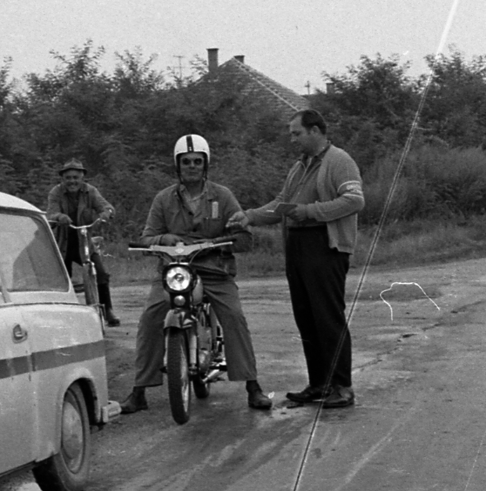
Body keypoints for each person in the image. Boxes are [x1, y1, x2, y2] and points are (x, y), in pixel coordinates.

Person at [119, 134, 272, 415]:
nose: (192, 166)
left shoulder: (223, 196)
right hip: (175, 270)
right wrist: (165, 239)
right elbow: (147, 236)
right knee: (151, 316)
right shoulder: (163, 199)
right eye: (186, 162)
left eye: (197, 161)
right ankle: (139, 390)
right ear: (177, 166)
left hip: (215, 270)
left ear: (206, 165)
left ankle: (253, 386)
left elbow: (243, 237)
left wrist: (220, 242)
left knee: (234, 316)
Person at [232, 110, 364, 411]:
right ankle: (319, 383)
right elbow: (282, 204)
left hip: (325, 245)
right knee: (306, 317)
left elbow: (355, 201)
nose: (292, 139)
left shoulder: (339, 161)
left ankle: (342, 386)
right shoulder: (299, 167)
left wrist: (310, 211)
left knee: (328, 317)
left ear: (315, 131)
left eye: (297, 133)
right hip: (298, 245)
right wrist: (249, 216)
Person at [44, 158, 120, 326]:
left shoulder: (90, 191)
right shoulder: (55, 193)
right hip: (62, 243)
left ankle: (108, 310)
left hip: (84, 241)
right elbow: (51, 213)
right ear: (63, 179)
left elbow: (106, 207)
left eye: (76, 177)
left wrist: (105, 214)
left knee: (101, 273)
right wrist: (59, 217)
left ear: (82, 178)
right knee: (63, 278)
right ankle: (64, 315)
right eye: (68, 177)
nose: (72, 181)